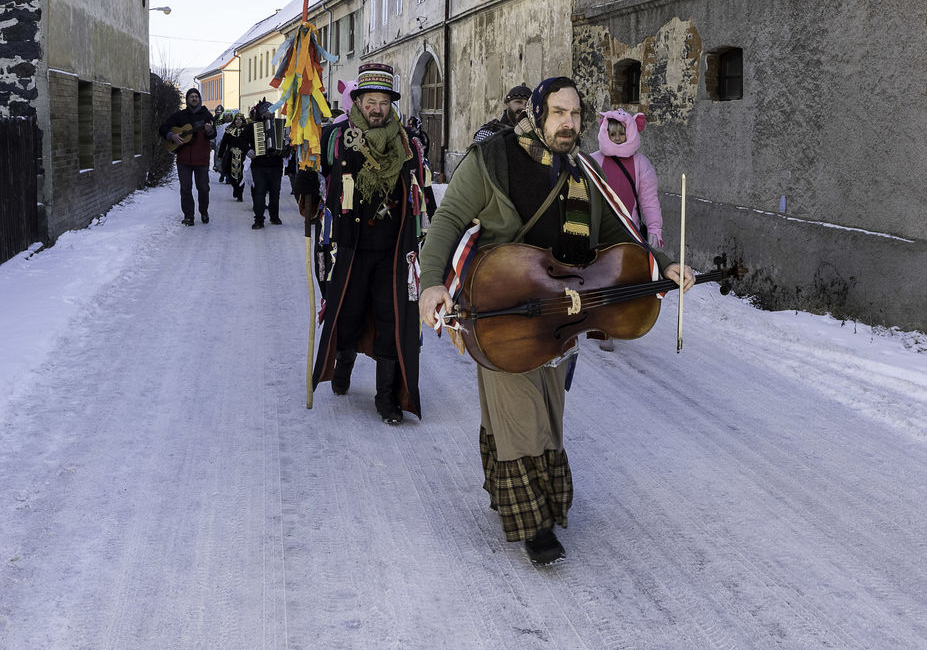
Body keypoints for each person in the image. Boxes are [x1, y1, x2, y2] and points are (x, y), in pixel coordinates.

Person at [418, 76, 693, 566]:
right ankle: (534, 524)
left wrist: (658, 264)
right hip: (502, 305)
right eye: (559, 113)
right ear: (538, 113)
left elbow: (615, 233)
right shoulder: (492, 159)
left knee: (547, 409)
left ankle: (521, 496)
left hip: (560, 310)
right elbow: (448, 219)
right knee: (519, 410)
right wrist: (432, 283)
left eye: (576, 115)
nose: (569, 124)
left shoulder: (581, 172)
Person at [293, 63, 435, 424]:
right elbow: (310, 168)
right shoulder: (336, 138)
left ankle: (386, 398)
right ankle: (342, 366)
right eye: (370, 101)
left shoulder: (408, 145)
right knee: (348, 314)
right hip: (350, 248)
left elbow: (421, 190)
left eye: (384, 102)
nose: (377, 109)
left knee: (391, 321)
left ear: (391, 106)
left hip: (392, 252)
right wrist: (306, 185)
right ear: (357, 101)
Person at [590, 108, 665, 350]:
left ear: (630, 132)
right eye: (612, 133)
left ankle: (612, 323)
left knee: (621, 277)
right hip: (598, 229)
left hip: (627, 229)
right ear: (605, 131)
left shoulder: (641, 164)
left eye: (622, 133)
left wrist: (654, 229)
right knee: (598, 276)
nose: (617, 137)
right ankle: (599, 322)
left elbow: (649, 201)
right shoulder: (594, 160)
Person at [158, 88, 216, 225]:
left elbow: (213, 135)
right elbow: (163, 128)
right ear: (187, 99)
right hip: (183, 160)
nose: (194, 99)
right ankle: (188, 216)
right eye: (191, 97)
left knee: (203, 188)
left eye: (196, 96)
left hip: (201, 159)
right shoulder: (180, 116)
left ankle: (204, 211)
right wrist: (172, 135)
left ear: (199, 99)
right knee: (185, 189)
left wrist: (209, 131)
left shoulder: (207, 115)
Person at [242, 99, 286, 229]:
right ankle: (259, 220)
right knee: (259, 192)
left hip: (276, 164)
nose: (270, 113)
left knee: (275, 192)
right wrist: (248, 150)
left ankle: (274, 216)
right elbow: (241, 140)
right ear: (261, 112)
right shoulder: (253, 126)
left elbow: (287, 144)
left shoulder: (280, 125)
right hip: (259, 164)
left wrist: (287, 142)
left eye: (272, 110)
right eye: (267, 110)